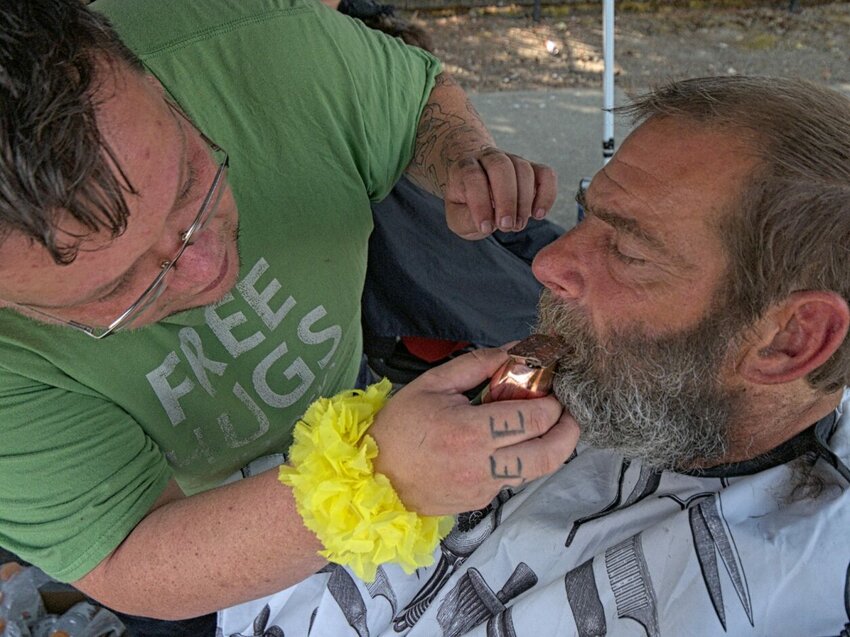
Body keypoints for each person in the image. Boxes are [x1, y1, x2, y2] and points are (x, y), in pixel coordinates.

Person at [0, 0, 581, 629]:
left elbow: (415, 99)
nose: (211, 272)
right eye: (124, 284)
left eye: (191, 184)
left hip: (341, 393)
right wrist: (370, 480)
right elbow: (126, 553)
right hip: (194, 533)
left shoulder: (253, 38)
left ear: (152, 80)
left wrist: (463, 157)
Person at [218, 75, 850, 636]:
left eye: (629, 253)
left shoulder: (781, 596)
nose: (547, 264)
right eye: (587, 215)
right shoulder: (588, 382)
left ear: (791, 340)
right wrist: (371, 471)